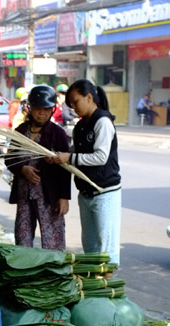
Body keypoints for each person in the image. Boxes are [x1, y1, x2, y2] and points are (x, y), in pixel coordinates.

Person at [51, 79, 121, 265]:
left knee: (106, 250)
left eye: (75, 102)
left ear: (89, 97)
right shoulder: (81, 125)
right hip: (86, 193)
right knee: (90, 247)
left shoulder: (103, 122)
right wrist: (60, 156)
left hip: (104, 192)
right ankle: (94, 283)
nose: (73, 108)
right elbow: (77, 151)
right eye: (70, 104)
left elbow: (100, 157)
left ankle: (106, 285)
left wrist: (70, 158)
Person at [5, 85, 71, 251]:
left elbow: (66, 169)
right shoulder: (20, 131)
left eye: (46, 109)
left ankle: (53, 272)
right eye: (38, 109)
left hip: (49, 195)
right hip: (24, 194)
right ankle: (25, 271)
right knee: (23, 237)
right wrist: (23, 169)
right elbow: (9, 159)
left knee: (52, 240)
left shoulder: (58, 133)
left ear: (52, 109)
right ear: (30, 108)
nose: (42, 113)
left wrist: (64, 197)